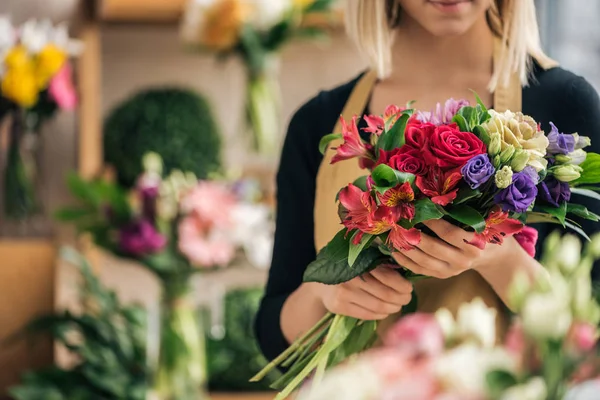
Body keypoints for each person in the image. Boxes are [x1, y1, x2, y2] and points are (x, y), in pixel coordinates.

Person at [255, 0, 600, 363]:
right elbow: (273, 337)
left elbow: (590, 335)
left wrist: (501, 260)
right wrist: (324, 296)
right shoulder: (317, 123)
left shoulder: (566, 104)